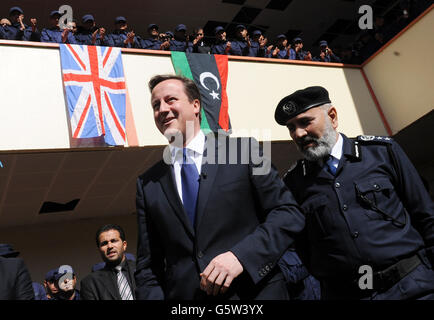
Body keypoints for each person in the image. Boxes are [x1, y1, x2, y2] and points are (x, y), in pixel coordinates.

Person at [134, 74, 305, 300]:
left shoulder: (245, 151)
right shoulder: (148, 184)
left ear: (196, 105)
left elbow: (287, 213)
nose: (162, 109)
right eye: (156, 105)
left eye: (170, 100)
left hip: (255, 294)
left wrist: (241, 256)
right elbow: (148, 266)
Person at [274, 86, 434, 300]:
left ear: (332, 116)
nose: (298, 134)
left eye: (305, 122)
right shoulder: (294, 182)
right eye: (291, 128)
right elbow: (304, 247)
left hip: (414, 286)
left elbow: (425, 214)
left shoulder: (382, 152)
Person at [81, 224, 136, 300]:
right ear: (99, 250)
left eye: (114, 241)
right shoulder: (90, 283)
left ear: (124, 245)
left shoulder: (144, 270)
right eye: (104, 243)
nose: (110, 246)